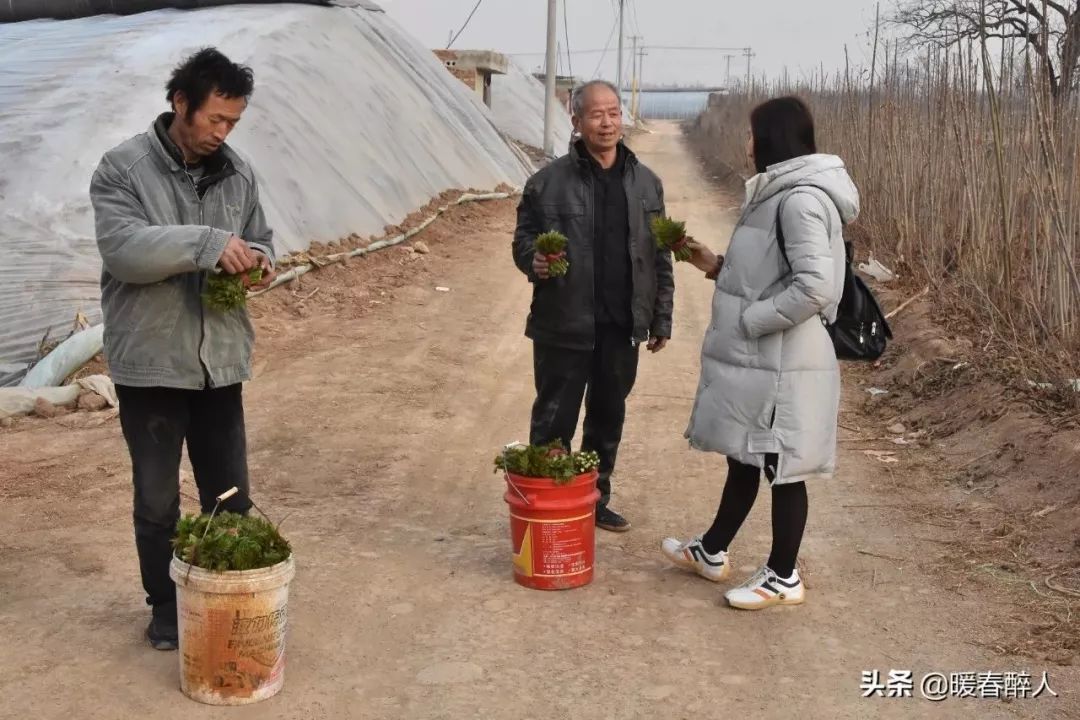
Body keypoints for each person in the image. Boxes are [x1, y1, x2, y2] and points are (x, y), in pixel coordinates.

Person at [89, 48, 276, 649]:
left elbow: (262, 238)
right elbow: (125, 250)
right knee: (157, 498)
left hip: (218, 363)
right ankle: (166, 607)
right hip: (152, 365)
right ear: (180, 104)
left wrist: (259, 263)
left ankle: (222, 599)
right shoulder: (123, 169)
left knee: (228, 494)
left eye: (233, 123)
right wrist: (208, 243)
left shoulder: (239, 174)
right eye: (214, 120)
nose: (222, 134)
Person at [661, 96, 859, 609]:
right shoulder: (777, 194)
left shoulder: (799, 200)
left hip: (785, 361)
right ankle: (712, 550)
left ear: (771, 138)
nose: (746, 144)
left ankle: (783, 575)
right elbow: (768, 272)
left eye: (751, 134)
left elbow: (815, 286)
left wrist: (752, 320)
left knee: (781, 462)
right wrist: (713, 264)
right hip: (771, 357)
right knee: (746, 455)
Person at [512, 80, 674, 533]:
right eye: (597, 115)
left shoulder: (646, 183)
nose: (607, 122)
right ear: (577, 121)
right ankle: (547, 501)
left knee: (608, 416)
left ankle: (594, 498)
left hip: (622, 326)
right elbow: (523, 242)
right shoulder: (546, 183)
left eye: (614, 113)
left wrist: (660, 316)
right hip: (563, 325)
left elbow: (660, 255)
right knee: (553, 418)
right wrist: (534, 260)